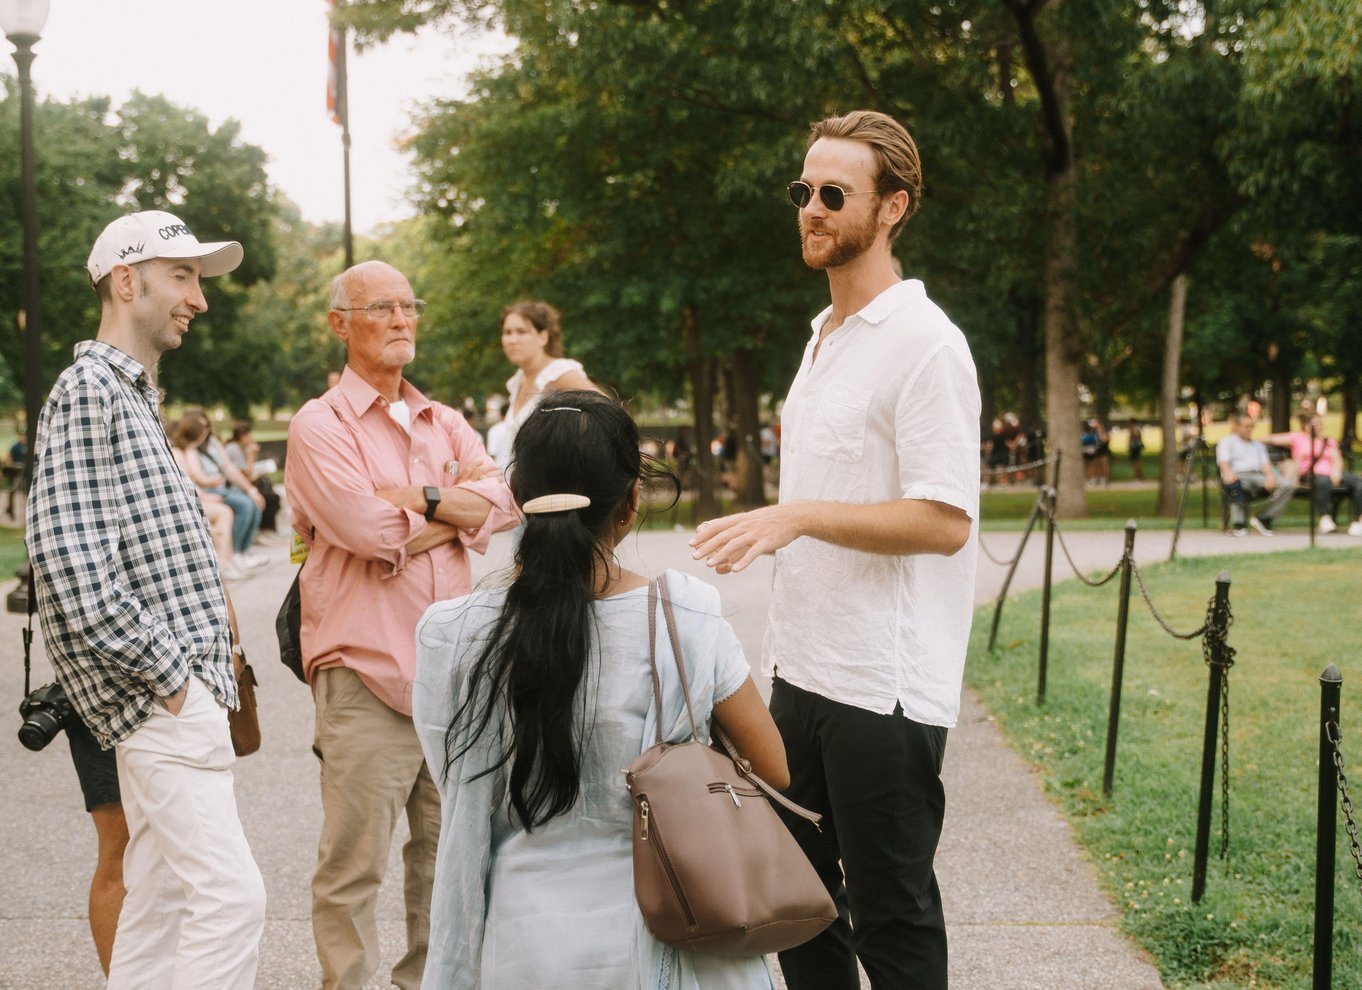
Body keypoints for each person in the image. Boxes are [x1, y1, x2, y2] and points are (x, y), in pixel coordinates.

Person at [689, 110, 979, 990]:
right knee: (799, 907)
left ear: (892, 208)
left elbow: (946, 520)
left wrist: (800, 516)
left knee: (892, 918)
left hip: (882, 688)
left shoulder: (928, 345)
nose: (810, 209)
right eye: (802, 191)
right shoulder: (821, 338)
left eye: (833, 194)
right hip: (801, 672)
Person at [413, 389, 787, 990]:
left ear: (517, 496)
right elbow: (772, 768)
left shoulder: (451, 633)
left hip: (519, 943)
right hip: (669, 932)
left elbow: (454, 777)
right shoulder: (684, 616)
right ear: (632, 500)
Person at [26, 209, 265, 988]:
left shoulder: (129, 395)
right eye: (182, 276)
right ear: (126, 282)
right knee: (232, 901)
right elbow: (70, 568)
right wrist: (172, 679)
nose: (199, 298)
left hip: (175, 696)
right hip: (162, 700)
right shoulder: (89, 391)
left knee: (157, 909)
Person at [285, 260, 519, 990]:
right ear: (340, 324)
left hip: (452, 680)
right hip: (364, 674)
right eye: (381, 308)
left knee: (447, 863)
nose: (400, 320)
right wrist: (455, 512)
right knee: (353, 867)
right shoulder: (318, 425)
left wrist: (416, 497)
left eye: (408, 306)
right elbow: (365, 528)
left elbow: (506, 502)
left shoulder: (442, 420)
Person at [495, 300, 596, 474]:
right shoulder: (518, 381)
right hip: (517, 484)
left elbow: (608, 414)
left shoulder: (559, 373)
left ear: (543, 337)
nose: (512, 340)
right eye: (507, 332)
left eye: (521, 331)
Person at [1269, 409, 1362, 535]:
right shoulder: (1297, 438)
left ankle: (1359, 521)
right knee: (1322, 481)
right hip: (1309, 475)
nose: (1320, 426)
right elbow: (1271, 439)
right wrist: (1251, 441)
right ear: (1306, 425)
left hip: (1331, 474)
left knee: (1358, 481)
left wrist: (1336, 473)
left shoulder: (1328, 441)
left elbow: (1337, 459)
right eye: (1316, 424)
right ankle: (1325, 518)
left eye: (1320, 423)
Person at [1215, 413, 1292, 536]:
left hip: (1258, 475)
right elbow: (1223, 462)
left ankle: (1264, 518)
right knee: (1234, 485)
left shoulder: (1257, 445)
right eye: (1246, 426)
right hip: (1239, 475)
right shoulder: (1227, 442)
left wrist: (1270, 476)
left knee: (1287, 485)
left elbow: (1265, 464)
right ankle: (1239, 525)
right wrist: (1228, 473)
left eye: (1252, 426)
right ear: (1237, 427)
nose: (1250, 429)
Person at [225, 420, 283, 539]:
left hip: (243, 483)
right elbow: (247, 473)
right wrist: (250, 454)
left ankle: (267, 529)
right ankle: (264, 530)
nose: (251, 438)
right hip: (236, 487)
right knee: (269, 497)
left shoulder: (240, 448)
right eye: (249, 435)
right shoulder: (233, 449)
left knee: (271, 493)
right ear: (242, 436)